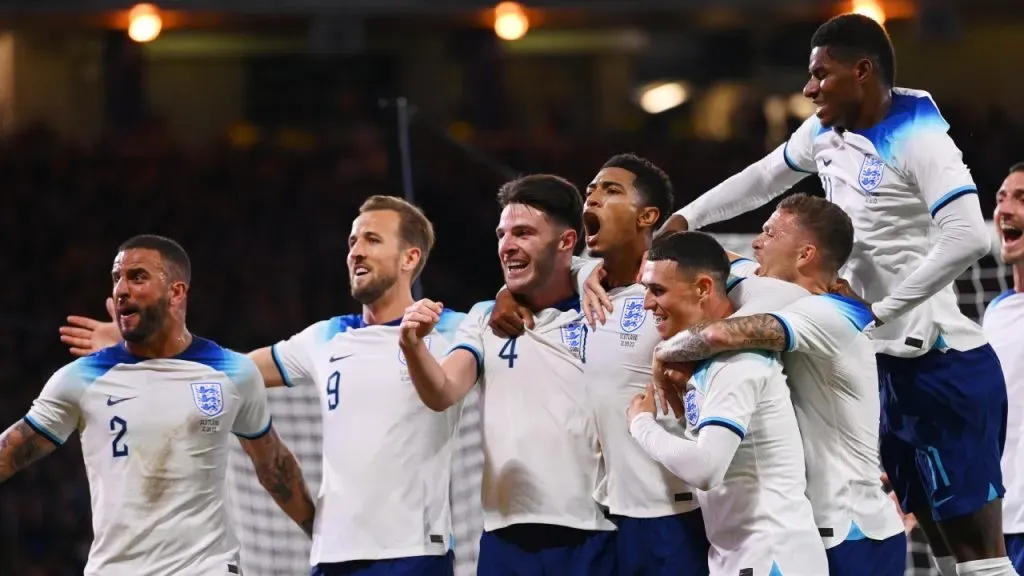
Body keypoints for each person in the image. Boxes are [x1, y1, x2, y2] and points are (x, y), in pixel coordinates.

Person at [657, 13, 1011, 575]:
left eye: (821, 74)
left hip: (939, 366)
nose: (808, 88)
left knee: (977, 558)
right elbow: (765, 175)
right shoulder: (827, 131)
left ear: (862, 72)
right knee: (945, 556)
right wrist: (687, 217)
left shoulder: (919, 137)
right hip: (882, 366)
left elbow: (968, 234)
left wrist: (881, 309)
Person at [57, 197, 472, 576]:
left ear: (410, 257)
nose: (356, 251)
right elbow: (224, 371)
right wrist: (139, 344)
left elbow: (507, 323)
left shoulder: (453, 329)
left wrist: (508, 303)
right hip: (332, 556)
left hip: (415, 551)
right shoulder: (326, 337)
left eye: (372, 239)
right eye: (351, 241)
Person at [0, 234, 316, 576]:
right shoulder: (80, 378)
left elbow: (273, 466)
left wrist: (323, 539)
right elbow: (12, 452)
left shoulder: (233, 373)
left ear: (176, 292)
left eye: (137, 277)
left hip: (205, 567)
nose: (121, 289)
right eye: (117, 278)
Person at [653, 194, 906, 575]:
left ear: (805, 255)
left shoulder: (832, 311)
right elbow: (696, 258)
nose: (756, 243)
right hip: (817, 528)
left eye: (769, 233)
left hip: (850, 527)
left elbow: (721, 334)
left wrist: (664, 353)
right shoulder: (776, 292)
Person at [489, 154, 710, 576]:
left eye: (610, 190)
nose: (592, 197)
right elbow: (547, 261)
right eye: (590, 190)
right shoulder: (590, 293)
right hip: (616, 517)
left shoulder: (679, 287)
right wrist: (506, 291)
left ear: (648, 216)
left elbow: (743, 285)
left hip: (680, 510)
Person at [399, 174, 616, 575]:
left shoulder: (605, 310)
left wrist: (585, 272)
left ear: (567, 241)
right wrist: (412, 346)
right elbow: (442, 392)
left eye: (523, 233)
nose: (507, 246)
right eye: (502, 234)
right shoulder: (484, 316)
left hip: (593, 528)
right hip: (504, 536)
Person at [627, 231, 827, 576]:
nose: (646, 303)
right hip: (741, 556)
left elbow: (705, 469)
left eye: (657, 290)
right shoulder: (707, 364)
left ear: (703, 288)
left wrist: (640, 424)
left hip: (772, 557)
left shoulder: (737, 362)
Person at [986, 163, 1024, 573]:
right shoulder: (996, 312)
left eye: (1022, 199)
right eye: (1001, 199)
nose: (1006, 209)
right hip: (1000, 519)